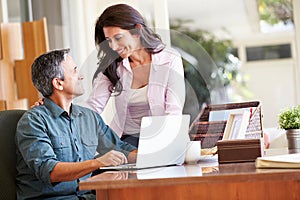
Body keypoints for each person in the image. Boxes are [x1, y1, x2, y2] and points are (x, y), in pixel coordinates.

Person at [15, 48, 137, 200]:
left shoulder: (88, 117)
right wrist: (97, 162)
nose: (81, 76)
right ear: (58, 83)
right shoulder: (33, 121)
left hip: (86, 196)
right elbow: (49, 171)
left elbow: (120, 148)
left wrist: (155, 157)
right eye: (74, 71)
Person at [82, 4, 185, 147]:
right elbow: (93, 107)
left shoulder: (170, 59)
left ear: (137, 30)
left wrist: (164, 146)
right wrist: (53, 110)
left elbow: (173, 111)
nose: (113, 46)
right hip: (127, 141)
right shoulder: (112, 67)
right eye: (109, 41)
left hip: (163, 137)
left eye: (118, 38)